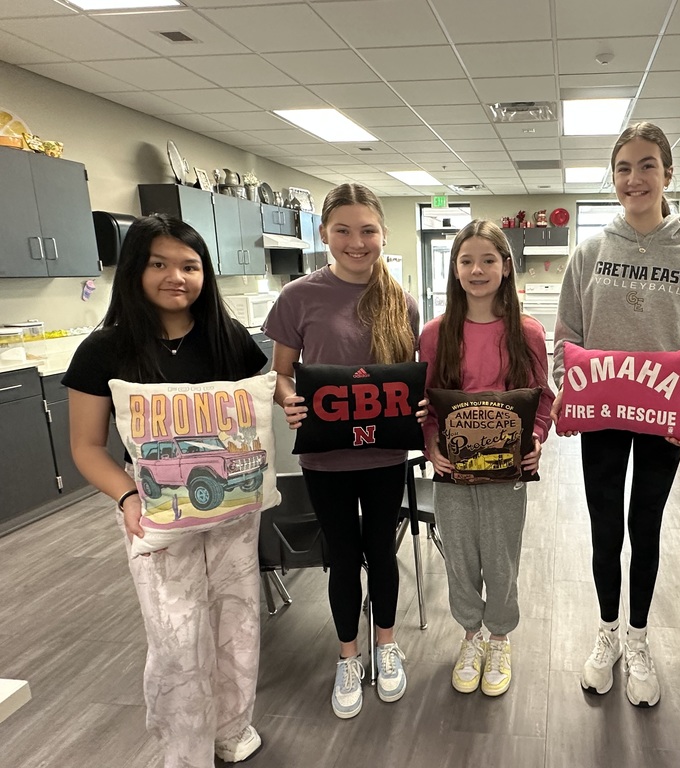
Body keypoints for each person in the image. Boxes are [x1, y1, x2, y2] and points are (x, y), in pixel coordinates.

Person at [64, 214, 267, 767]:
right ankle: (185, 749)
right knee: (177, 640)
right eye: (159, 263)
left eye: (189, 265)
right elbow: (86, 446)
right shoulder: (104, 350)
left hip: (230, 513)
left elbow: (257, 415)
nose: (175, 276)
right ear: (135, 269)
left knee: (237, 626)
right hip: (155, 515)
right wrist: (128, 497)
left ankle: (232, 729)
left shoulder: (230, 341)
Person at [552, 121, 680, 707]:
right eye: (624, 167)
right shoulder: (590, 251)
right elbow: (568, 335)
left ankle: (639, 636)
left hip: (661, 415)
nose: (635, 178)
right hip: (601, 412)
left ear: (667, 174)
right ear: (613, 177)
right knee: (604, 527)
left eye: (647, 165)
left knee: (645, 527)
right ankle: (606, 633)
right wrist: (567, 386)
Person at [263, 182, 419, 720]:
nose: (357, 241)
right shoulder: (298, 297)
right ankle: (347, 656)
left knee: (382, 552)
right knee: (343, 559)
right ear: (325, 233)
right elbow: (281, 374)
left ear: (383, 234)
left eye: (368, 230)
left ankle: (387, 645)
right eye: (344, 230)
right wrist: (289, 401)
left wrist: (417, 409)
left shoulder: (403, 301)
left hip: (384, 457)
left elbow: (407, 379)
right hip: (325, 458)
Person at [419, 219, 554, 697]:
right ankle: (470, 636)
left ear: (506, 267)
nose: (477, 269)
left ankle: (499, 638)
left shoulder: (529, 332)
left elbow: (543, 397)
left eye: (488, 260)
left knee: (501, 557)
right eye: (466, 260)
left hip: (506, 472)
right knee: (459, 556)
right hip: (452, 473)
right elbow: (427, 403)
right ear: (454, 270)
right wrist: (431, 443)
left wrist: (535, 437)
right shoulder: (434, 335)